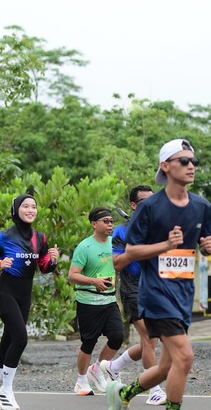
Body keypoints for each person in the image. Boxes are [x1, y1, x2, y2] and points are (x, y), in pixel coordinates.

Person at [106, 139, 211, 410]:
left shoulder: (201, 206)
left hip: (183, 293)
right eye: (184, 161)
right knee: (185, 357)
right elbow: (130, 251)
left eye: (194, 161)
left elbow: (203, 244)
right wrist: (165, 245)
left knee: (167, 365)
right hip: (155, 293)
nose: (191, 166)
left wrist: (206, 247)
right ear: (165, 166)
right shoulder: (150, 206)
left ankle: (123, 393)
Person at [0, 194, 59, 410]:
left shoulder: (40, 238)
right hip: (5, 292)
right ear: (16, 210)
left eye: (33, 206)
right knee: (21, 339)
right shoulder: (4, 236)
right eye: (25, 206)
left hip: (25, 294)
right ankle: (5, 391)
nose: (31, 210)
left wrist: (53, 261)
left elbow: (44, 267)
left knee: (8, 341)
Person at [100, 185, 167, 405]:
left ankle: (114, 366)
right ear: (133, 205)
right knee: (148, 338)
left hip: (157, 289)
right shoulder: (121, 232)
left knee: (151, 340)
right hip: (133, 291)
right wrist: (135, 247)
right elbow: (117, 264)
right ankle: (154, 389)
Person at [68, 207, 124, 396]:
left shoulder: (115, 244)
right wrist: (94, 281)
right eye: (106, 221)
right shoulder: (85, 247)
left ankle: (97, 368)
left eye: (112, 221)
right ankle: (81, 380)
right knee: (88, 342)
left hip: (109, 300)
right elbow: (72, 275)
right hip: (88, 302)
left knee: (117, 336)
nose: (110, 225)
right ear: (94, 224)